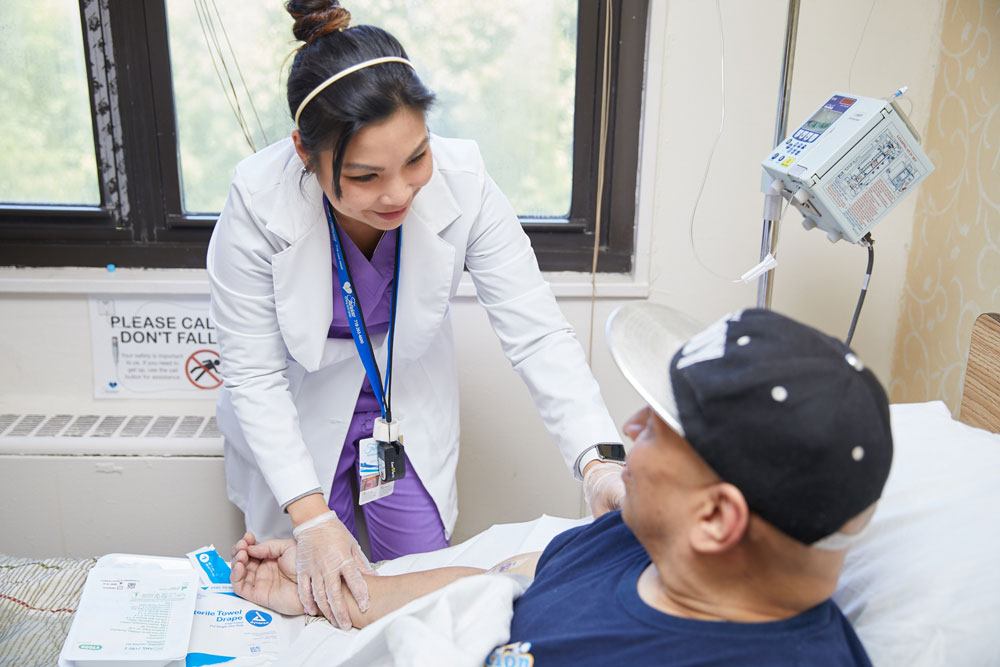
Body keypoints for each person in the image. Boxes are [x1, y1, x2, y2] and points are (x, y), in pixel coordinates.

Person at [206, 0, 624, 631]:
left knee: (427, 590)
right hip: (296, 403)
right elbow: (254, 376)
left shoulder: (466, 180)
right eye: (365, 175)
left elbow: (536, 333)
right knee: (315, 592)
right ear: (304, 152)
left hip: (398, 406)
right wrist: (312, 517)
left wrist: (599, 463)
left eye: (416, 159)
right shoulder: (257, 204)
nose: (398, 193)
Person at [230, 303, 893, 665]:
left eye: (659, 429)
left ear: (717, 518)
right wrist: (335, 593)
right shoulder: (637, 540)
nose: (628, 425)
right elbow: (506, 577)